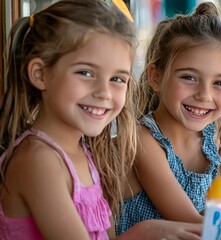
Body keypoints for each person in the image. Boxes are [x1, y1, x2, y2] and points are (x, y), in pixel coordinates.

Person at [0, 0, 201, 239]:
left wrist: (157, 229)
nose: (104, 93)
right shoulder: (38, 160)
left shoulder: (82, 152)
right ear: (40, 74)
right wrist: (145, 231)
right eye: (86, 73)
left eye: (117, 79)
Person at [116, 1, 221, 234]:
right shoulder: (142, 140)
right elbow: (192, 222)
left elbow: (209, 214)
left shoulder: (212, 139)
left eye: (220, 83)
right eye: (189, 77)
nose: (204, 95)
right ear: (156, 77)